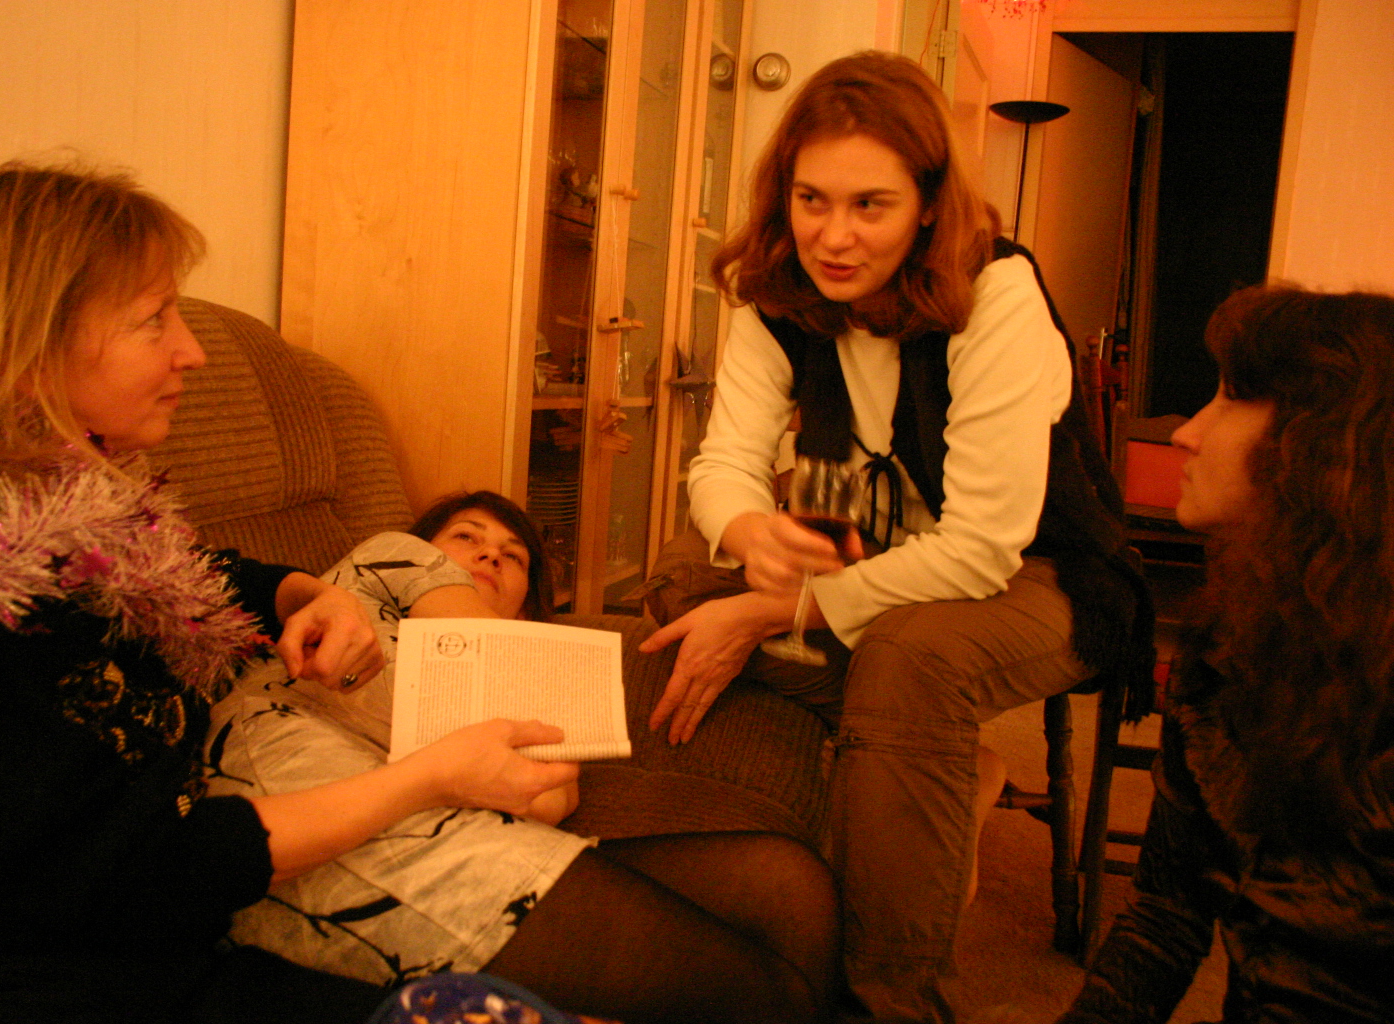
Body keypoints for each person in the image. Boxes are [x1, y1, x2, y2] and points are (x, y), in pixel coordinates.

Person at [0, 163, 835, 1024]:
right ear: (33, 340)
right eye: (154, 319)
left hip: (233, 851)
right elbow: (135, 869)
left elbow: (188, 578)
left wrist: (295, 592)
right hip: (118, 976)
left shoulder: (69, 495)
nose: (191, 351)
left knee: (788, 890)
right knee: (757, 988)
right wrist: (433, 777)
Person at [638, 51, 1150, 1022]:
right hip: (875, 537)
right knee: (678, 585)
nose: (833, 236)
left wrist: (781, 607)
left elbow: (981, 547)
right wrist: (747, 527)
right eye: (811, 200)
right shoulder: (776, 293)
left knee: (911, 661)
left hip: (1043, 567)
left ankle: (887, 999)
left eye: (869, 205)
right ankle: (934, 768)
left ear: (927, 204)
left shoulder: (996, 293)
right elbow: (723, 462)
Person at [208, 487, 841, 1024]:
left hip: (430, 819)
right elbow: (545, 793)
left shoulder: (533, 663)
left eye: (514, 557)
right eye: (466, 537)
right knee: (761, 995)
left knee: (790, 884)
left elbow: (549, 798)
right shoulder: (389, 559)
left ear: (526, 606)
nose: (491, 554)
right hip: (300, 825)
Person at [1059, 286, 1394, 1024]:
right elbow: (1165, 916)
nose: (1186, 433)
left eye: (1232, 398)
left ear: (1324, 442)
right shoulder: (1227, 645)